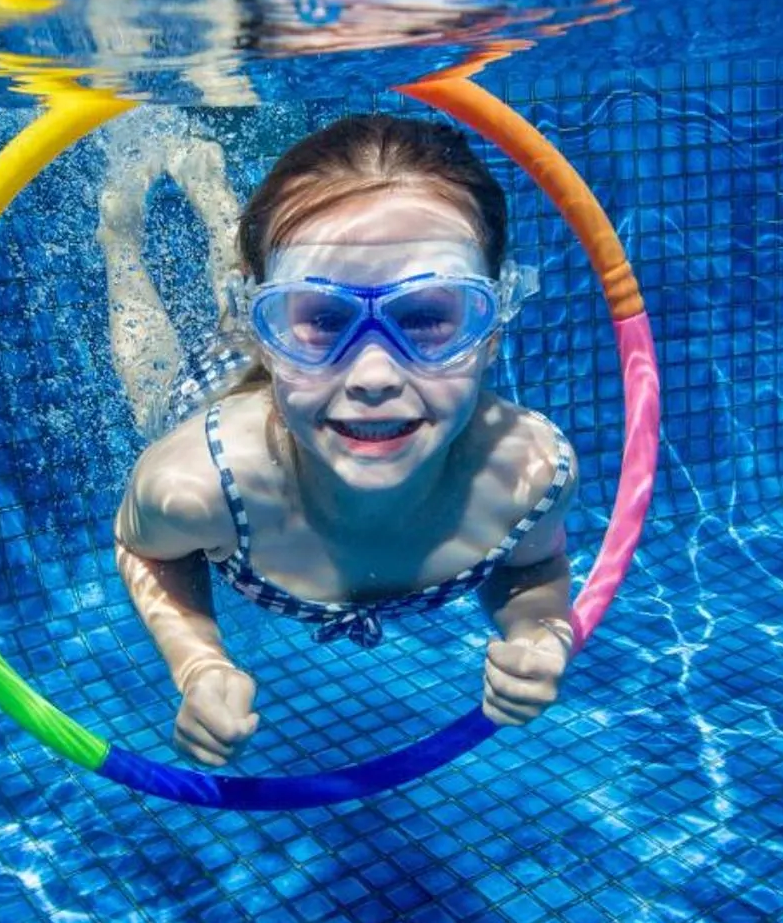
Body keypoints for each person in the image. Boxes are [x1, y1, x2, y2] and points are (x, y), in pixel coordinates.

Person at [112, 114, 579, 768]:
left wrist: (539, 629)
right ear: (268, 338)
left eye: (426, 316)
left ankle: (237, 224)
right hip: (225, 388)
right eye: (320, 317)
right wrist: (196, 662)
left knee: (259, 292)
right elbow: (145, 548)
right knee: (153, 382)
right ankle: (121, 238)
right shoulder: (195, 484)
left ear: (491, 328)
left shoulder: (530, 473)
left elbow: (531, 567)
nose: (374, 376)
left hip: (280, 348)